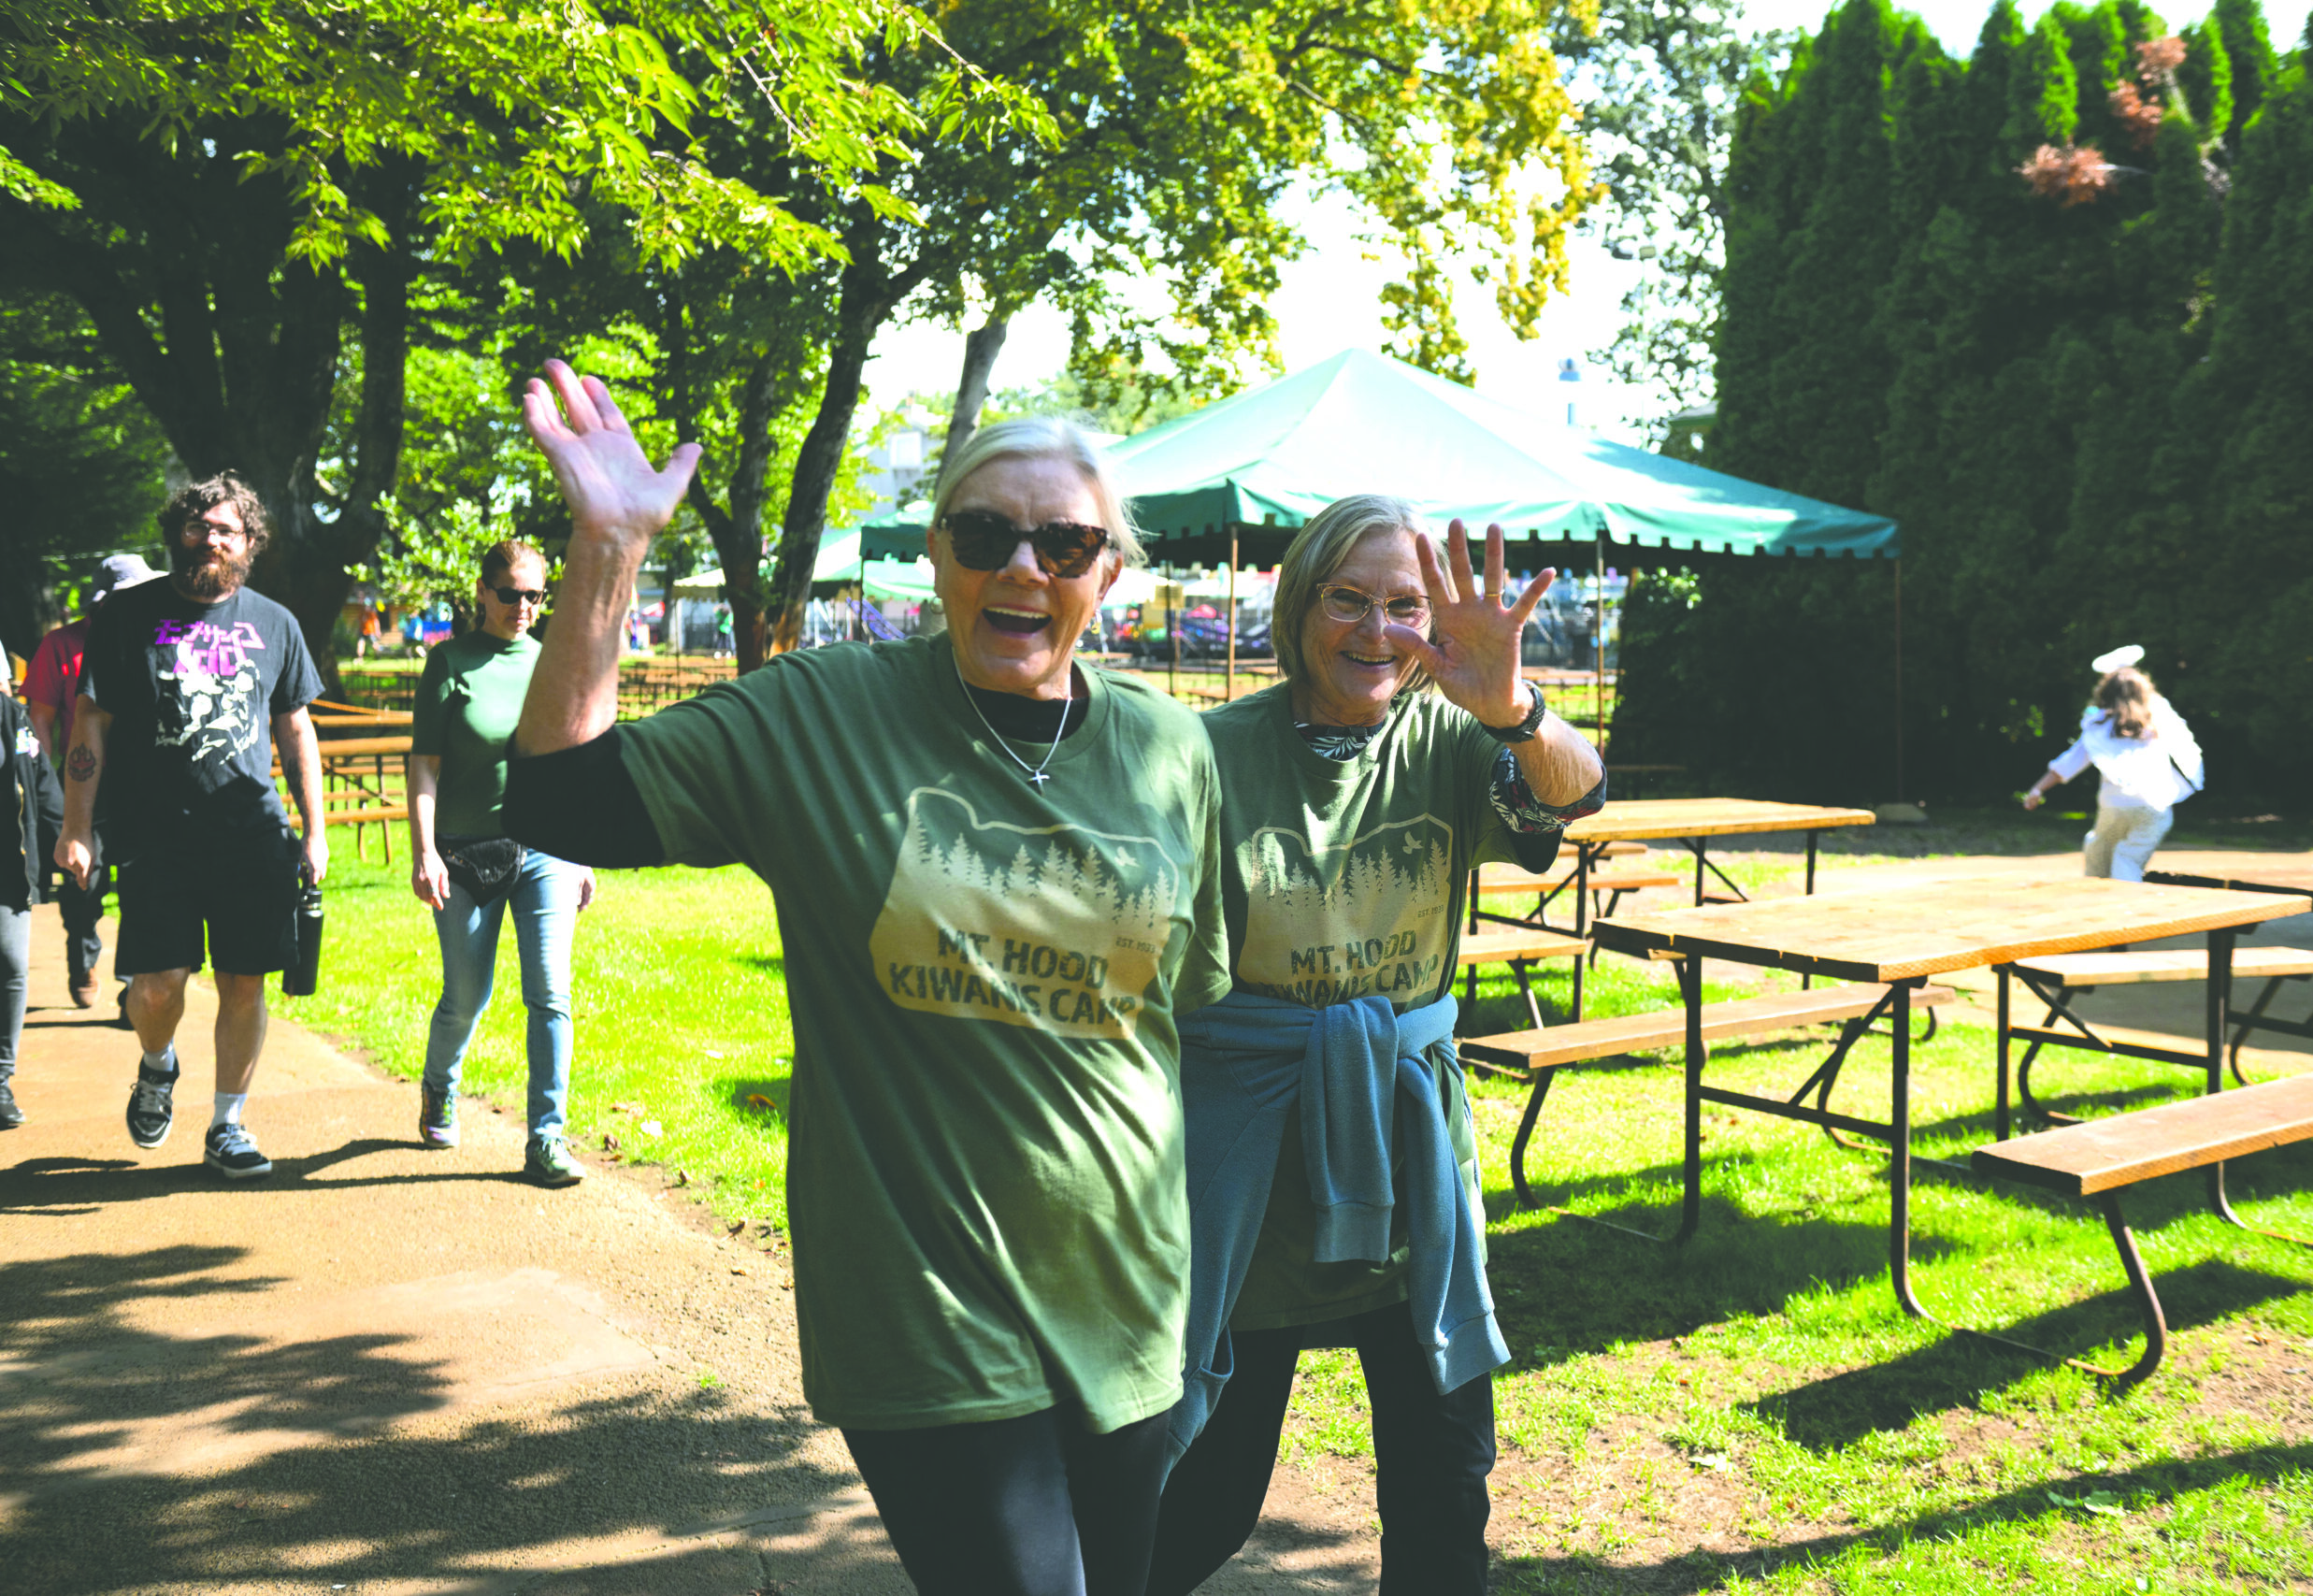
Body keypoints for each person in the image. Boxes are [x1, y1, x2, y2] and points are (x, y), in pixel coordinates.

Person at [503, 362, 1229, 1596]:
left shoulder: (1170, 748)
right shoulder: (822, 714)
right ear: (935, 554)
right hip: (930, 1316)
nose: (1023, 566)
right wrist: (608, 549)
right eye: (988, 532)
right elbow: (562, 794)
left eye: (1064, 541)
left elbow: (1181, 1003)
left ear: (1110, 574)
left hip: (1132, 1313)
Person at [1148, 496, 1608, 1596]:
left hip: (1409, 1160)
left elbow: (1574, 797)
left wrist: (1512, 704)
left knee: (1445, 1496)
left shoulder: (1455, 734)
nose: (1375, 630)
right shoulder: (1211, 752)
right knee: (1201, 1493)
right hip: (1247, 1171)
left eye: (1404, 606)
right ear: (1296, 605)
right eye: (1346, 600)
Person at [54, 473, 329, 1180]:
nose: (211, 538)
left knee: (246, 981)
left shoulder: (275, 624)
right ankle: (157, 1063)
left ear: (248, 544)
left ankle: (228, 1124)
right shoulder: (125, 617)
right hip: (156, 835)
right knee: (155, 987)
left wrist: (314, 829)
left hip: (251, 833)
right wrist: (77, 825)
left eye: (226, 529)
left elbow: (297, 729)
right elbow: (91, 722)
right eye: (198, 526)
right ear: (177, 533)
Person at [409, 539, 596, 1185]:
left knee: (550, 991)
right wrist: (425, 850)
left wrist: (582, 852)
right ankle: (440, 1085)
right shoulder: (450, 662)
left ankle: (546, 1137)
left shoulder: (553, 663)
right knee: (467, 995)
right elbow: (425, 766)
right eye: (511, 593)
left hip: (543, 849)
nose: (523, 606)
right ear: (483, 593)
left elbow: (568, 769)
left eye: (535, 595)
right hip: (463, 854)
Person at [22, 554, 163, 1011]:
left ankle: (131, 985)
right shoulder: (61, 645)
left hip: (143, 783)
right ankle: (81, 955)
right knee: (85, 882)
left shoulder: (156, 638)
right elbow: (40, 717)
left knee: (143, 885)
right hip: (84, 783)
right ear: (101, 603)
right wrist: (48, 785)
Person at [2021, 644, 2204, 882]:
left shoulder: (2098, 727)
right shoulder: (2158, 721)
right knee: (2127, 858)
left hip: (2114, 804)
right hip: (2155, 806)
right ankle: (2127, 901)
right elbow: (2186, 748)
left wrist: (2037, 790)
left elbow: (2068, 764)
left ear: (2105, 694)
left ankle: (2101, 896)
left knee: (2099, 850)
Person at [1, 688, 65, 1129]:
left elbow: (42, 781)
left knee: (11, 964)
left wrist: (67, 835)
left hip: (9, 868)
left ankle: (1, 1079)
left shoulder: (15, 720)